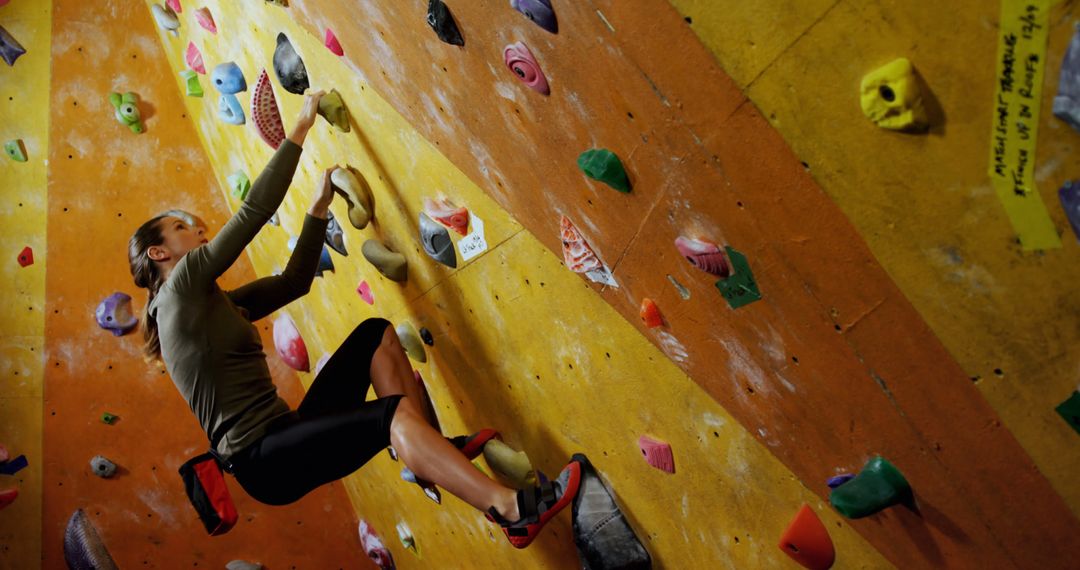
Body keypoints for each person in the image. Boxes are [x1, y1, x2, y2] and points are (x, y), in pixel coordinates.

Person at [126, 91, 582, 548]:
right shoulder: (177, 290)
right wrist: (300, 128)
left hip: (282, 438)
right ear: (159, 252)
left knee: (375, 337)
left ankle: (433, 448)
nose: (198, 230)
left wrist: (318, 210)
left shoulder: (207, 305)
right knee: (391, 416)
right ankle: (511, 511)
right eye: (182, 228)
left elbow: (292, 283)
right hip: (264, 459)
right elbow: (253, 213)